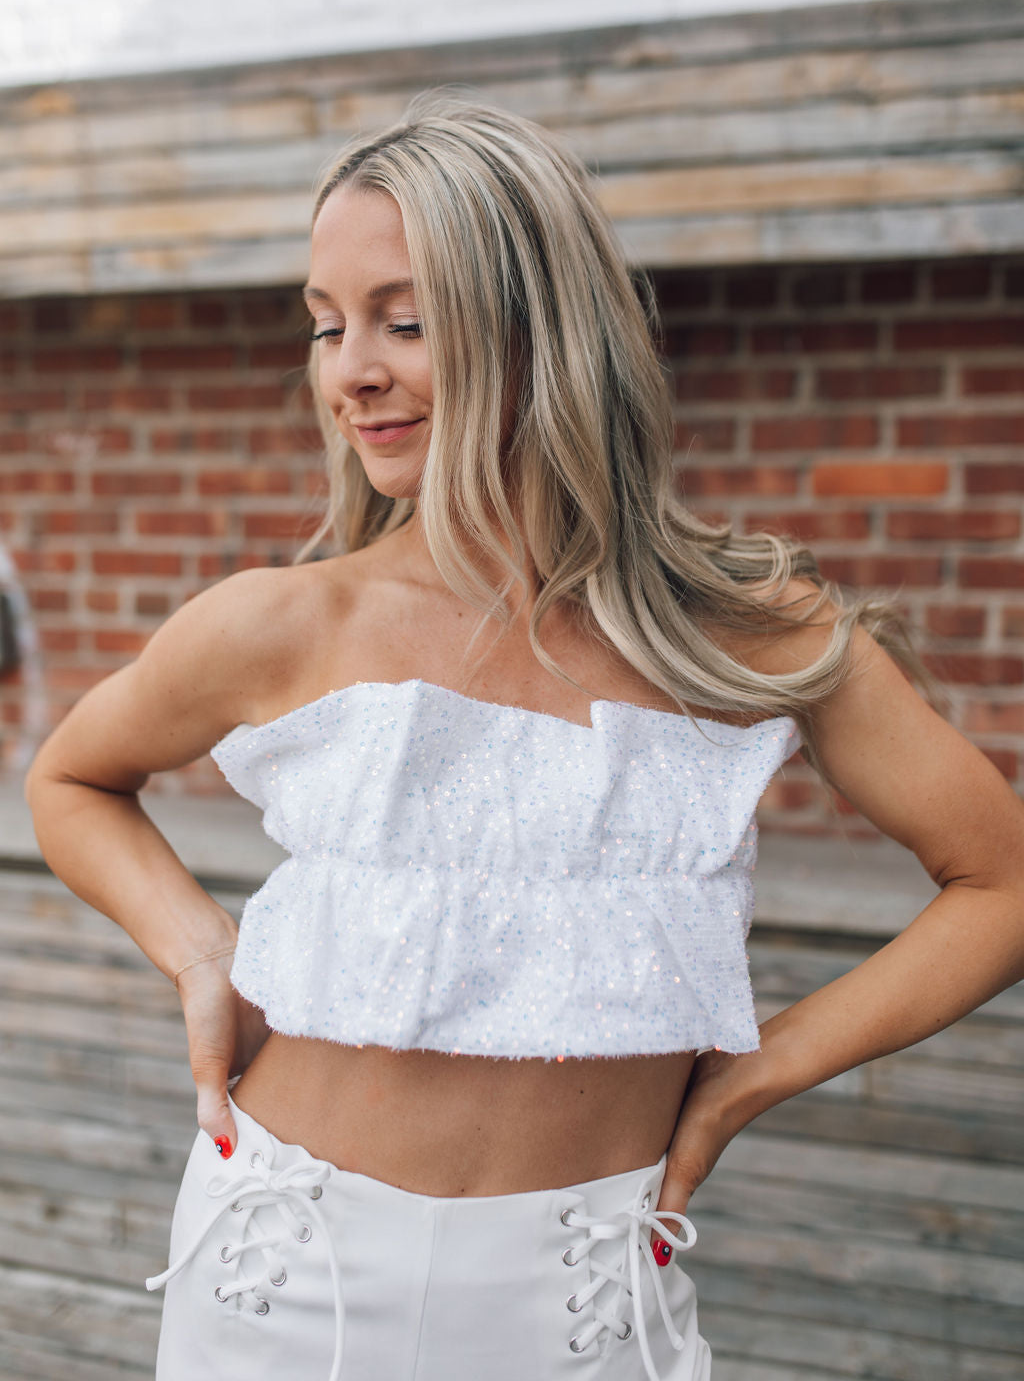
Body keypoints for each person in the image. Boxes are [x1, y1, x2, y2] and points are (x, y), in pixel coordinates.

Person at [24, 92, 1024, 1381]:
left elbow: (1001, 881)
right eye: (326, 327)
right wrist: (198, 947)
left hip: (584, 1301)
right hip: (282, 1273)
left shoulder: (747, 630)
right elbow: (70, 776)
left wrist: (749, 1079)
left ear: (537, 325)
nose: (350, 370)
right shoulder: (284, 621)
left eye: (405, 319)